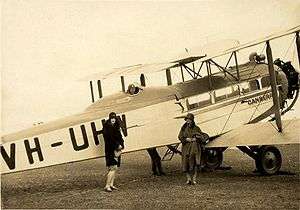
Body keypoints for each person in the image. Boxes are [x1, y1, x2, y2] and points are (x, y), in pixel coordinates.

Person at [178, 113, 202, 185]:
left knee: (194, 163)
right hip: (186, 147)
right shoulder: (183, 128)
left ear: (192, 120)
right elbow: (180, 137)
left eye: (189, 120)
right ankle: (188, 179)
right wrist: (186, 139)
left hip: (194, 148)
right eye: (187, 120)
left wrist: (196, 139)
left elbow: (201, 136)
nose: (188, 121)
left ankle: (194, 179)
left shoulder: (197, 128)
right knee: (186, 163)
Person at [102, 112, 124, 192]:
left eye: (114, 118)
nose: (113, 120)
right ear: (110, 118)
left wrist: (121, 144)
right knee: (112, 168)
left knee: (115, 167)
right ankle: (107, 185)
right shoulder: (107, 128)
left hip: (116, 149)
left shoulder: (116, 127)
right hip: (110, 150)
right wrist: (117, 145)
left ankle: (111, 184)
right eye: (112, 118)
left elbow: (120, 137)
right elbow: (109, 140)